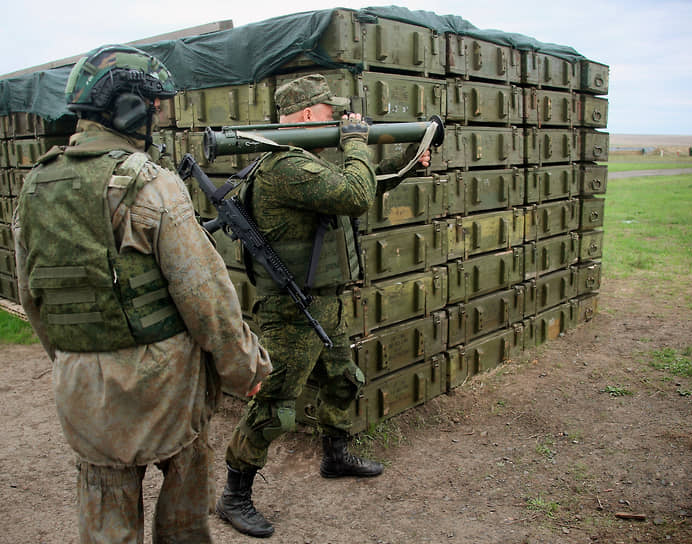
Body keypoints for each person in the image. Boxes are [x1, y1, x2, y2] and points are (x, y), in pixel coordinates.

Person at [13, 45, 272, 544]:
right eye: (154, 105)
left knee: (105, 522)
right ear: (129, 108)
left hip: (83, 393)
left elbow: (34, 300)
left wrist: (76, 358)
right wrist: (247, 370)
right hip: (164, 390)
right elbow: (208, 300)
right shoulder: (152, 184)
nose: (158, 116)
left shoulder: (36, 187)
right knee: (184, 516)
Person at [216, 73, 431, 538]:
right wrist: (357, 142)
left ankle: (335, 457)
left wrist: (406, 162)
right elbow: (353, 193)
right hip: (291, 314)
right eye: (332, 113)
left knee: (340, 379)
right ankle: (234, 495)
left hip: (323, 304)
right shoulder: (286, 167)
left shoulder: (304, 165)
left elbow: (356, 190)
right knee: (274, 404)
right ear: (311, 115)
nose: (338, 119)